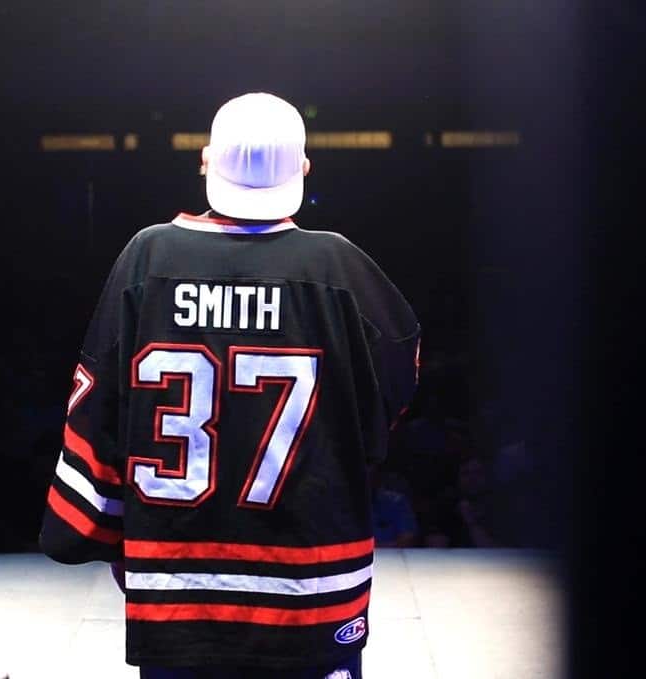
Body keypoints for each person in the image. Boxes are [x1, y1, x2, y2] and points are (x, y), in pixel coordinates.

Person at [39, 92, 421, 678]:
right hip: (313, 580)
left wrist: (99, 529)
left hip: (176, 582)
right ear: (304, 168)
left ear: (205, 160)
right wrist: (346, 454)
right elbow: (398, 374)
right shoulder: (338, 269)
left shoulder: (148, 258)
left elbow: (97, 405)